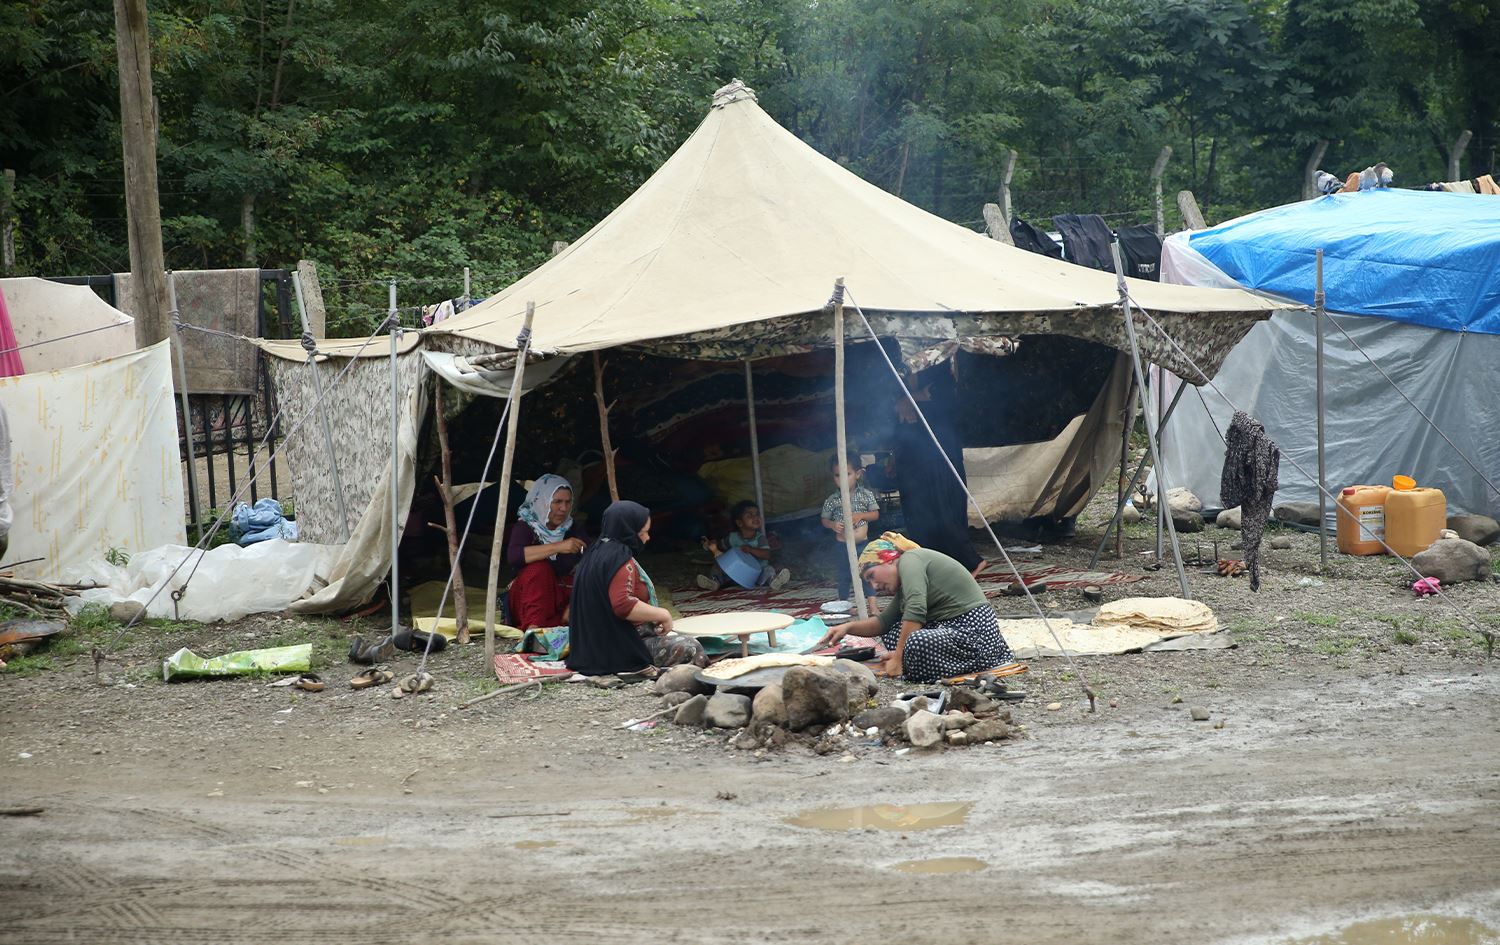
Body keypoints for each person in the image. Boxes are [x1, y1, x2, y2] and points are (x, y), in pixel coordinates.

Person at [816, 532, 1013, 682]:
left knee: (916, 640)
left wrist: (899, 657)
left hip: (975, 633)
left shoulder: (910, 560)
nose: (875, 586)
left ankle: (910, 663)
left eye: (872, 576)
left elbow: (916, 609)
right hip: (951, 630)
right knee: (894, 632)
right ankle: (915, 661)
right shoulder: (905, 579)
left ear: (889, 558)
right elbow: (883, 622)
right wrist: (848, 627)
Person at [566, 500, 706, 677]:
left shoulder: (595, 551)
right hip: (616, 651)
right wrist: (663, 614)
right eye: (644, 532)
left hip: (589, 650)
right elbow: (623, 605)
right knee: (692, 647)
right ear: (628, 530)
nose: (647, 538)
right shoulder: (619, 558)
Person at [891, 369, 986, 575]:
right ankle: (930, 564)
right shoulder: (895, 371)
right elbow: (888, 406)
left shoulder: (936, 366)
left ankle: (970, 561)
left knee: (945, 510)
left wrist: (910, 398)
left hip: (940, 454)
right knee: (918, 513)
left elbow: (941, 394)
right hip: (910, 457)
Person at [506, 474, 587, 630]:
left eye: (567, 502)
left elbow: (591, 559)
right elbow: (514, 556)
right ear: (542, 501)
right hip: (529, 600)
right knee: (540, 569)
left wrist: (574, 604)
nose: (563, 509)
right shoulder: (525, 527)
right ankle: (534, 631)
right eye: (556, 502)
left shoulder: (573, 528)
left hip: (561, 601)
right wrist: (558, 547)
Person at [820, 451, 881, 600]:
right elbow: (824, 520)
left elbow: (875, 514)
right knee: (843, 575)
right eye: (837, 475)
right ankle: (844, 604)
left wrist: (861, 515)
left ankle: (872, 605)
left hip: (862, 544)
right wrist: (832, 525)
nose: (842, 480)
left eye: (847, 474)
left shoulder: (865, 495)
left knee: (866, 573)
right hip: (842, 545)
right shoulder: (832, 500)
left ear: (858, 474)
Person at [697, 500, 790, 591]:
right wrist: (712, 544)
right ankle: (714, 582)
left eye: (757, 514)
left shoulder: (760, 538)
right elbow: (720, 546)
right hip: (733, 573)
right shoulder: (732, 538)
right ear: (739, 523)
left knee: (768, 570)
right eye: (749, 515)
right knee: (717, 567)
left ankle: (773, 580)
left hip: (755, 576)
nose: (755, 517)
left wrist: (751, 550)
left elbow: (766, 554)